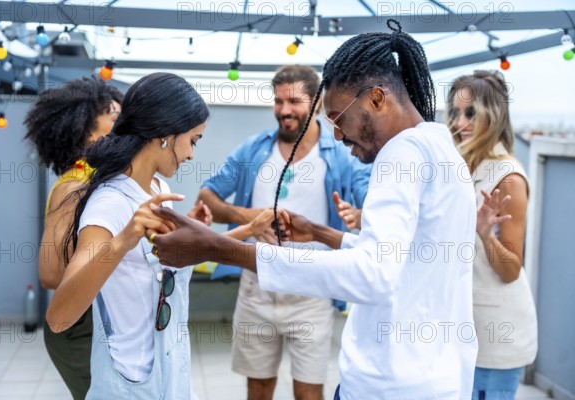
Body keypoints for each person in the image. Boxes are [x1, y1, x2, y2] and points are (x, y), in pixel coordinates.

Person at [151, 20, 479, 399]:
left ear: (377, 98)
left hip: (389, 383)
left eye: (338, 118)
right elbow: (400, 260)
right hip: (437, 377)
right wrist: (323, 233)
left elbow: (374, 273)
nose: (337, 135)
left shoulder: (400, 153)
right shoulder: (442, 150)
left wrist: (217, 248)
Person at [44, 72, 281, 399]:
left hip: (170, 372)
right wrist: (124, 238)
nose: (192, 155)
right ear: (166, 135)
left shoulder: (156, 188)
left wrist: (245, 231)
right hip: (129, 383)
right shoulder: (109, 203)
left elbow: (158, 268)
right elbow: (59, 318)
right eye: (194, 140)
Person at [198, 65, 371, 400]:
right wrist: (251, 217)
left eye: (294, 101)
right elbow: (207, 196)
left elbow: (373, 210)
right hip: (256, 288)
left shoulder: (340, 155)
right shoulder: (253, 149)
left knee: (308, 392)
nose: (284, 111)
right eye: (278, 102)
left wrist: (359, 215)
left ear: (316, 102)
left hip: (312, 293)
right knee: (258, 388)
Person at [24, 76, 122, 400]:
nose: (126, 127)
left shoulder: (105, 180)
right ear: (86, 132)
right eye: (115, 119)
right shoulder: (74, 185)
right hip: (80, 330)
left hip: (107, 326)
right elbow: (50, 275)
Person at [447, 70, 537, 400]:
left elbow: (511, 269)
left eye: (471, 112)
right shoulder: (464, 165)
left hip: (495, 337)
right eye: (455, 112)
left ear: (493, 115)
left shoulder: (508, 176)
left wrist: (486, 235)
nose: (460, 122)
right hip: (463, 328)